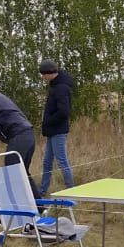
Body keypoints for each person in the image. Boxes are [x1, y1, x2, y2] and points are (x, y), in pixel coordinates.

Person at [37, 58, 75, 196]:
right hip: (52, 131)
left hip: (58, 131)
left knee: (62, 161)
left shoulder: (61, 88)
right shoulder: (55, 86)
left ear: (50, 73)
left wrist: (48, 122)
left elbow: (64, 112)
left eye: (43, 74)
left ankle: (71, 191)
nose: (43, 77)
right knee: (47, 162)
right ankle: (42, 191)